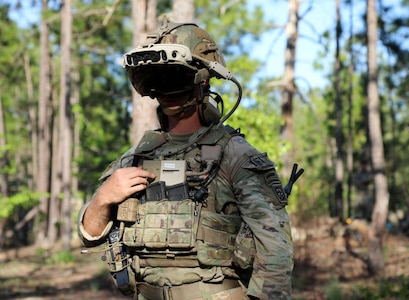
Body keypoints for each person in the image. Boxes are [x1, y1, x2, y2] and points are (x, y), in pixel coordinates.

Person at [78, 22, 294, 300]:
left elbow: (275, 249)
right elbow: (89, 235)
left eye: (176, 77)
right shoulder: (135, 159)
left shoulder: (235, 156)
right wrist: (103, 198)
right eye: (158, 78)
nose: (167, 89)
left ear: (203, 81)